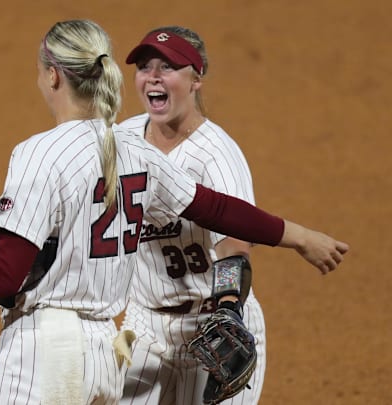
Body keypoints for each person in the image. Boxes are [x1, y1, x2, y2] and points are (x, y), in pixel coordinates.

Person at [0, 19, 344, 404]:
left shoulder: (41, 151)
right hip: (109, 352)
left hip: (50, 353)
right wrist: (299, 235)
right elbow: (216, 208)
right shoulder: (134, 148)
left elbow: (5, 276)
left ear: (52, 75)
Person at [118, 26, 270, 404]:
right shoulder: (122, 141)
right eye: (145, 66)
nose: (153, 76)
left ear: (196, 78)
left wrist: (229, 310)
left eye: (168, 67)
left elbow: (235, 243)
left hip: (213, 328)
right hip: (146, 326)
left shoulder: (216, 154)